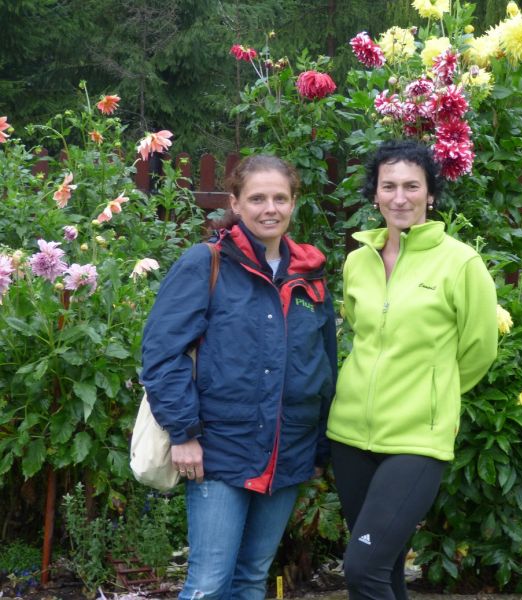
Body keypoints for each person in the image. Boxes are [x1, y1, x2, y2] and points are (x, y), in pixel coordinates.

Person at [140, 155, 337, 600]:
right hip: (219, 449)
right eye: (257, 198)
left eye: (280, 198)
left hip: (288, 449)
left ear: (293, 203)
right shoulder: (206, 263)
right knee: (209, 584)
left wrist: (318, 446)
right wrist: (183, 432)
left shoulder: (309, 275)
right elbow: (162, 354)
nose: (270, 209)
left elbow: (324, 364)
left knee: (251, 578)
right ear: (235, 203)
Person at [327, 140, 498, 600]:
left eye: (411, 186)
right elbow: (360, 333)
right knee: (384, 572)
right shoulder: (357, 261)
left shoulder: (460, 263)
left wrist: (433, 394)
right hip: (349, 435)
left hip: (417, 440)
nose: (400, 197)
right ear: (375, 194)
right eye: (389, 186)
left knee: (362, 568)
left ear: (431, 194)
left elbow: (480, 348)